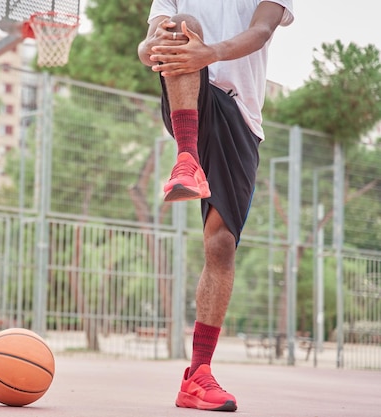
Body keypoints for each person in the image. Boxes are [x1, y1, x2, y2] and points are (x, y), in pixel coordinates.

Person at [138, 0, 294, 412]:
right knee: (180, 26)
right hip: (190, 94)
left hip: (242, 117)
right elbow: (149, 42)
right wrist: (156, 45)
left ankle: (196, 376)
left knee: (221, 244)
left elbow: (261, 31)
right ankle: (186, 158)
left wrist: (210, 52)